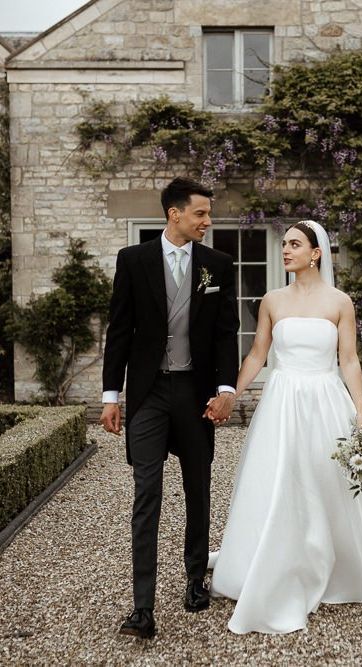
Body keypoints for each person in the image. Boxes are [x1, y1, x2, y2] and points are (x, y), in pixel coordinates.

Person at [208, 220, 362, 635]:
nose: (286, 251)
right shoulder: (272, 300)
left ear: (316, 253)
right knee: (280, 481)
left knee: (325, 480)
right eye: (285, 245)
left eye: (295, 244)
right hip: (282, 400)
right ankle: (271, 563)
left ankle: (342, 566)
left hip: (324, 398)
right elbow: (258, 355)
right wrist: (232, 394)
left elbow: (348, 360)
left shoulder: (339, 301)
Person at [100, 176, 240, 639]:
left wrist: (224, 389)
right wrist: (110, 396)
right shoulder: (133, 260)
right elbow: (119, 330)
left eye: (208, 213)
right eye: (201, 213)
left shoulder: (218, 264)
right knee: (147, 494)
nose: (207, 221)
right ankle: (142, 608)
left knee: (198, 489)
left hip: (196, 394)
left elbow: (225, 332)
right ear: (174, 213)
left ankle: (195, 580)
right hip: (148, 394)